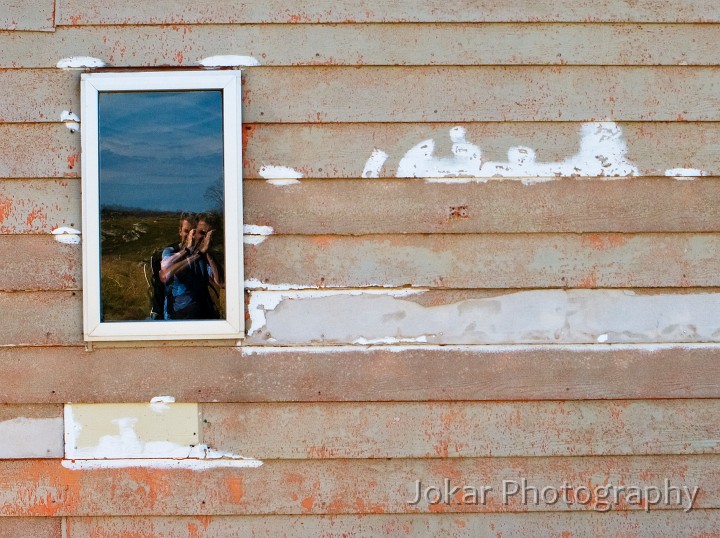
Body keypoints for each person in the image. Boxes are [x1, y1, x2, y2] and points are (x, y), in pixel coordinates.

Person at [160, 212, 224, 319]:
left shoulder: (204, 256)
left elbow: (222, 283)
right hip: (176, 318)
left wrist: (207, 252)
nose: (190, 235)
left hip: (203, 316)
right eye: (186, 231)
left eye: (193, 231)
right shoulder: (171, 252)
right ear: (179, 231)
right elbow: (166, 273)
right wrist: (188, 251)